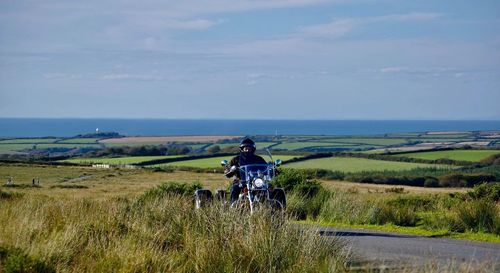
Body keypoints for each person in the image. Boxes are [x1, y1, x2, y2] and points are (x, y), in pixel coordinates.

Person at [225, 138, 267, 203]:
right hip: (240, 181)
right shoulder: (236, 159)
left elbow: (266, 167)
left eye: (249, 149)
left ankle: (270, 205)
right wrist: (231, 170)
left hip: (256, 181)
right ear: (242, 149)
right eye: (245, 149)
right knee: (234, 189)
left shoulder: (259, 159)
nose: (247, 150)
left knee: (267, 188)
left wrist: (273, 169)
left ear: (253, 149)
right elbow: (228, 170)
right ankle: (232, 206)